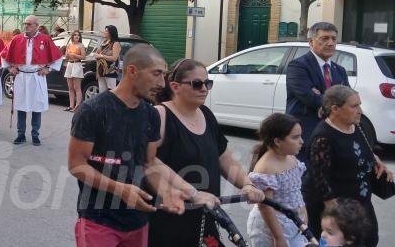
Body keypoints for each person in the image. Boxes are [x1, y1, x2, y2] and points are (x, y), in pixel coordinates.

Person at [69, 44, 219, 247]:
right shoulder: (93, 110)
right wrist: (120, 189)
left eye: (164, 75)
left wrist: (168, 191)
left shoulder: (150, 115)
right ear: (132, 71)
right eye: (156, 74)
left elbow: (149, 163)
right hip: (99, 220)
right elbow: (77, 165)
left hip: (139, 221)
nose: (162, 82)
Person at [148, 58, 264, 247]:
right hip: (169, 216)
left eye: (207, 83)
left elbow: (223, 156)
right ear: (175, 86)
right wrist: (192, 193)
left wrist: (247, 184)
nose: (204, 89)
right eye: (197, 84)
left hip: (205, 213)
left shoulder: (206, 114)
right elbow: (149, 162)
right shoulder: (159, 115)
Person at [303, 85, 393, 246]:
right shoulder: (322, 138)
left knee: (370, 239)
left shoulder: (356, 125)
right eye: (354, 106)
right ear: (335, 108)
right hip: (338, 209)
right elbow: (320, 181)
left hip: (361, 202)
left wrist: (376, 160)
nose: (360, 110)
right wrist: (336, 216)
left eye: (359, 104)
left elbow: (361, 147)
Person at [286, 22, 349, 160]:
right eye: (325, 38)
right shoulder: (298, 66)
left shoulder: (340, 70)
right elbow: (310, 99)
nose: (331, 43)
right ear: (310, 41)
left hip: (333, 136)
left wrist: (321, 95)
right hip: (305, 136)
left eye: (334, 39)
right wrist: (336, 100)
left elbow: (348, 100)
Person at [246, 113, 308, 247]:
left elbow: (295, 191)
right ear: (278, 141)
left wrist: (304, 215)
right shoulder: (266, 168)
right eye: (295, 137)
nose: (301, 141)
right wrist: (278, 238)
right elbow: (265, 206)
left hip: (294, 222)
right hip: (271, 227)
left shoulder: (291, 158)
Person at [1, 15, 64, 146]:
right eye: (25, 24)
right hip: (22, 77)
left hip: (37, 77)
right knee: (21, 106)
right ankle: (21, 134)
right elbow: (4, 55)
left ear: (36, 25)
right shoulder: (17, 39)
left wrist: (49, 69)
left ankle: (35, 135)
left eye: (29, 24)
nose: (26, 26)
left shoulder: (45, 39)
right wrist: (10, 67)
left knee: (37, 106)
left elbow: (58, 57)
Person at [64, 31, 87, 112]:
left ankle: (77, 106)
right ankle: (71, 105)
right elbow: (66, 56)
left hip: (77, 64)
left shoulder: (81, 45)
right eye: (75, 35)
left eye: (78, 35)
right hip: (70, 64)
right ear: (72, 36)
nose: (76, 36)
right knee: (70, 87)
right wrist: (67, 56)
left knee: (76, 87)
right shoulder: (69, 45)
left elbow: (84, 57)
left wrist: (75, 55)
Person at [95, 25, 122, 91]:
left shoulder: (116, 43)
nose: (104, 32)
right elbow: (96, 53)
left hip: (110, 70)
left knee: (111, 90)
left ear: (111, 33)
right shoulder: (104, 42)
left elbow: (114, 58)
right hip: (101, 69)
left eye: (106, 31)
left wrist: (101, 56)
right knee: (102, 90)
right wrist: (98, 55)